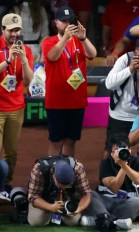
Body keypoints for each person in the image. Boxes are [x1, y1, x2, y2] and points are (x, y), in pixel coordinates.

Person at [0, 13, 34, 200]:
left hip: (15, 107)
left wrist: (24, 59)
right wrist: (8, 60)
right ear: (2, 30)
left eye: (17, 30)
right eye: (11, 30)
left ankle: (5, 183)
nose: (14, 34)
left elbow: (28, 80)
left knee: (11, 151)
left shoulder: (25, 50)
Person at [42, 5, 97, 156]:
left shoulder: (79, 41)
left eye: (70, 21)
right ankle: (52, 174)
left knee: (71, 141)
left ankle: (68, 174)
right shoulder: (49, 41)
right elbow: (52, 56)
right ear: (56, 22)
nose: (67, 24)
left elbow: (92, 54)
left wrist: (84, 38)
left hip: (76, 101)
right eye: (63, 21)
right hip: (57, 102)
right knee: (56, 142)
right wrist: (65, 38)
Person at [95, 135, 139, 222]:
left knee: (138, 203)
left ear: (130, 150)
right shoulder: (106, 163)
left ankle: (106, 220)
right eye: (117, 149)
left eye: (124, 149)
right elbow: (114, 188)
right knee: (90, 195)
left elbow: (138, 180)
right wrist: (122, 165)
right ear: (111, 153)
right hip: (107, 202)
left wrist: (123, 164)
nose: (120, 152)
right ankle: (112, 220)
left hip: (125, 203)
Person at [26, 155, 91, 227]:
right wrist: (50, 207)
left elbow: (86, 193)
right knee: (36, 222)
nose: (63, 188)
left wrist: (79, 208)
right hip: (44, 199)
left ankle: (59, 216)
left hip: (67, 199)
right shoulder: (39, 170)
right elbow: (32, 196)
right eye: (60, 185)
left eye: (68, 186)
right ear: (54, 175)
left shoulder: (78, 169)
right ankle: (50, 215)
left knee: (74, 222)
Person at [99, 0, 139, 64]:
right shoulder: (113, 4)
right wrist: (105, 49)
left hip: (136, 57)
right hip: (114, 57)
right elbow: (106, 30)